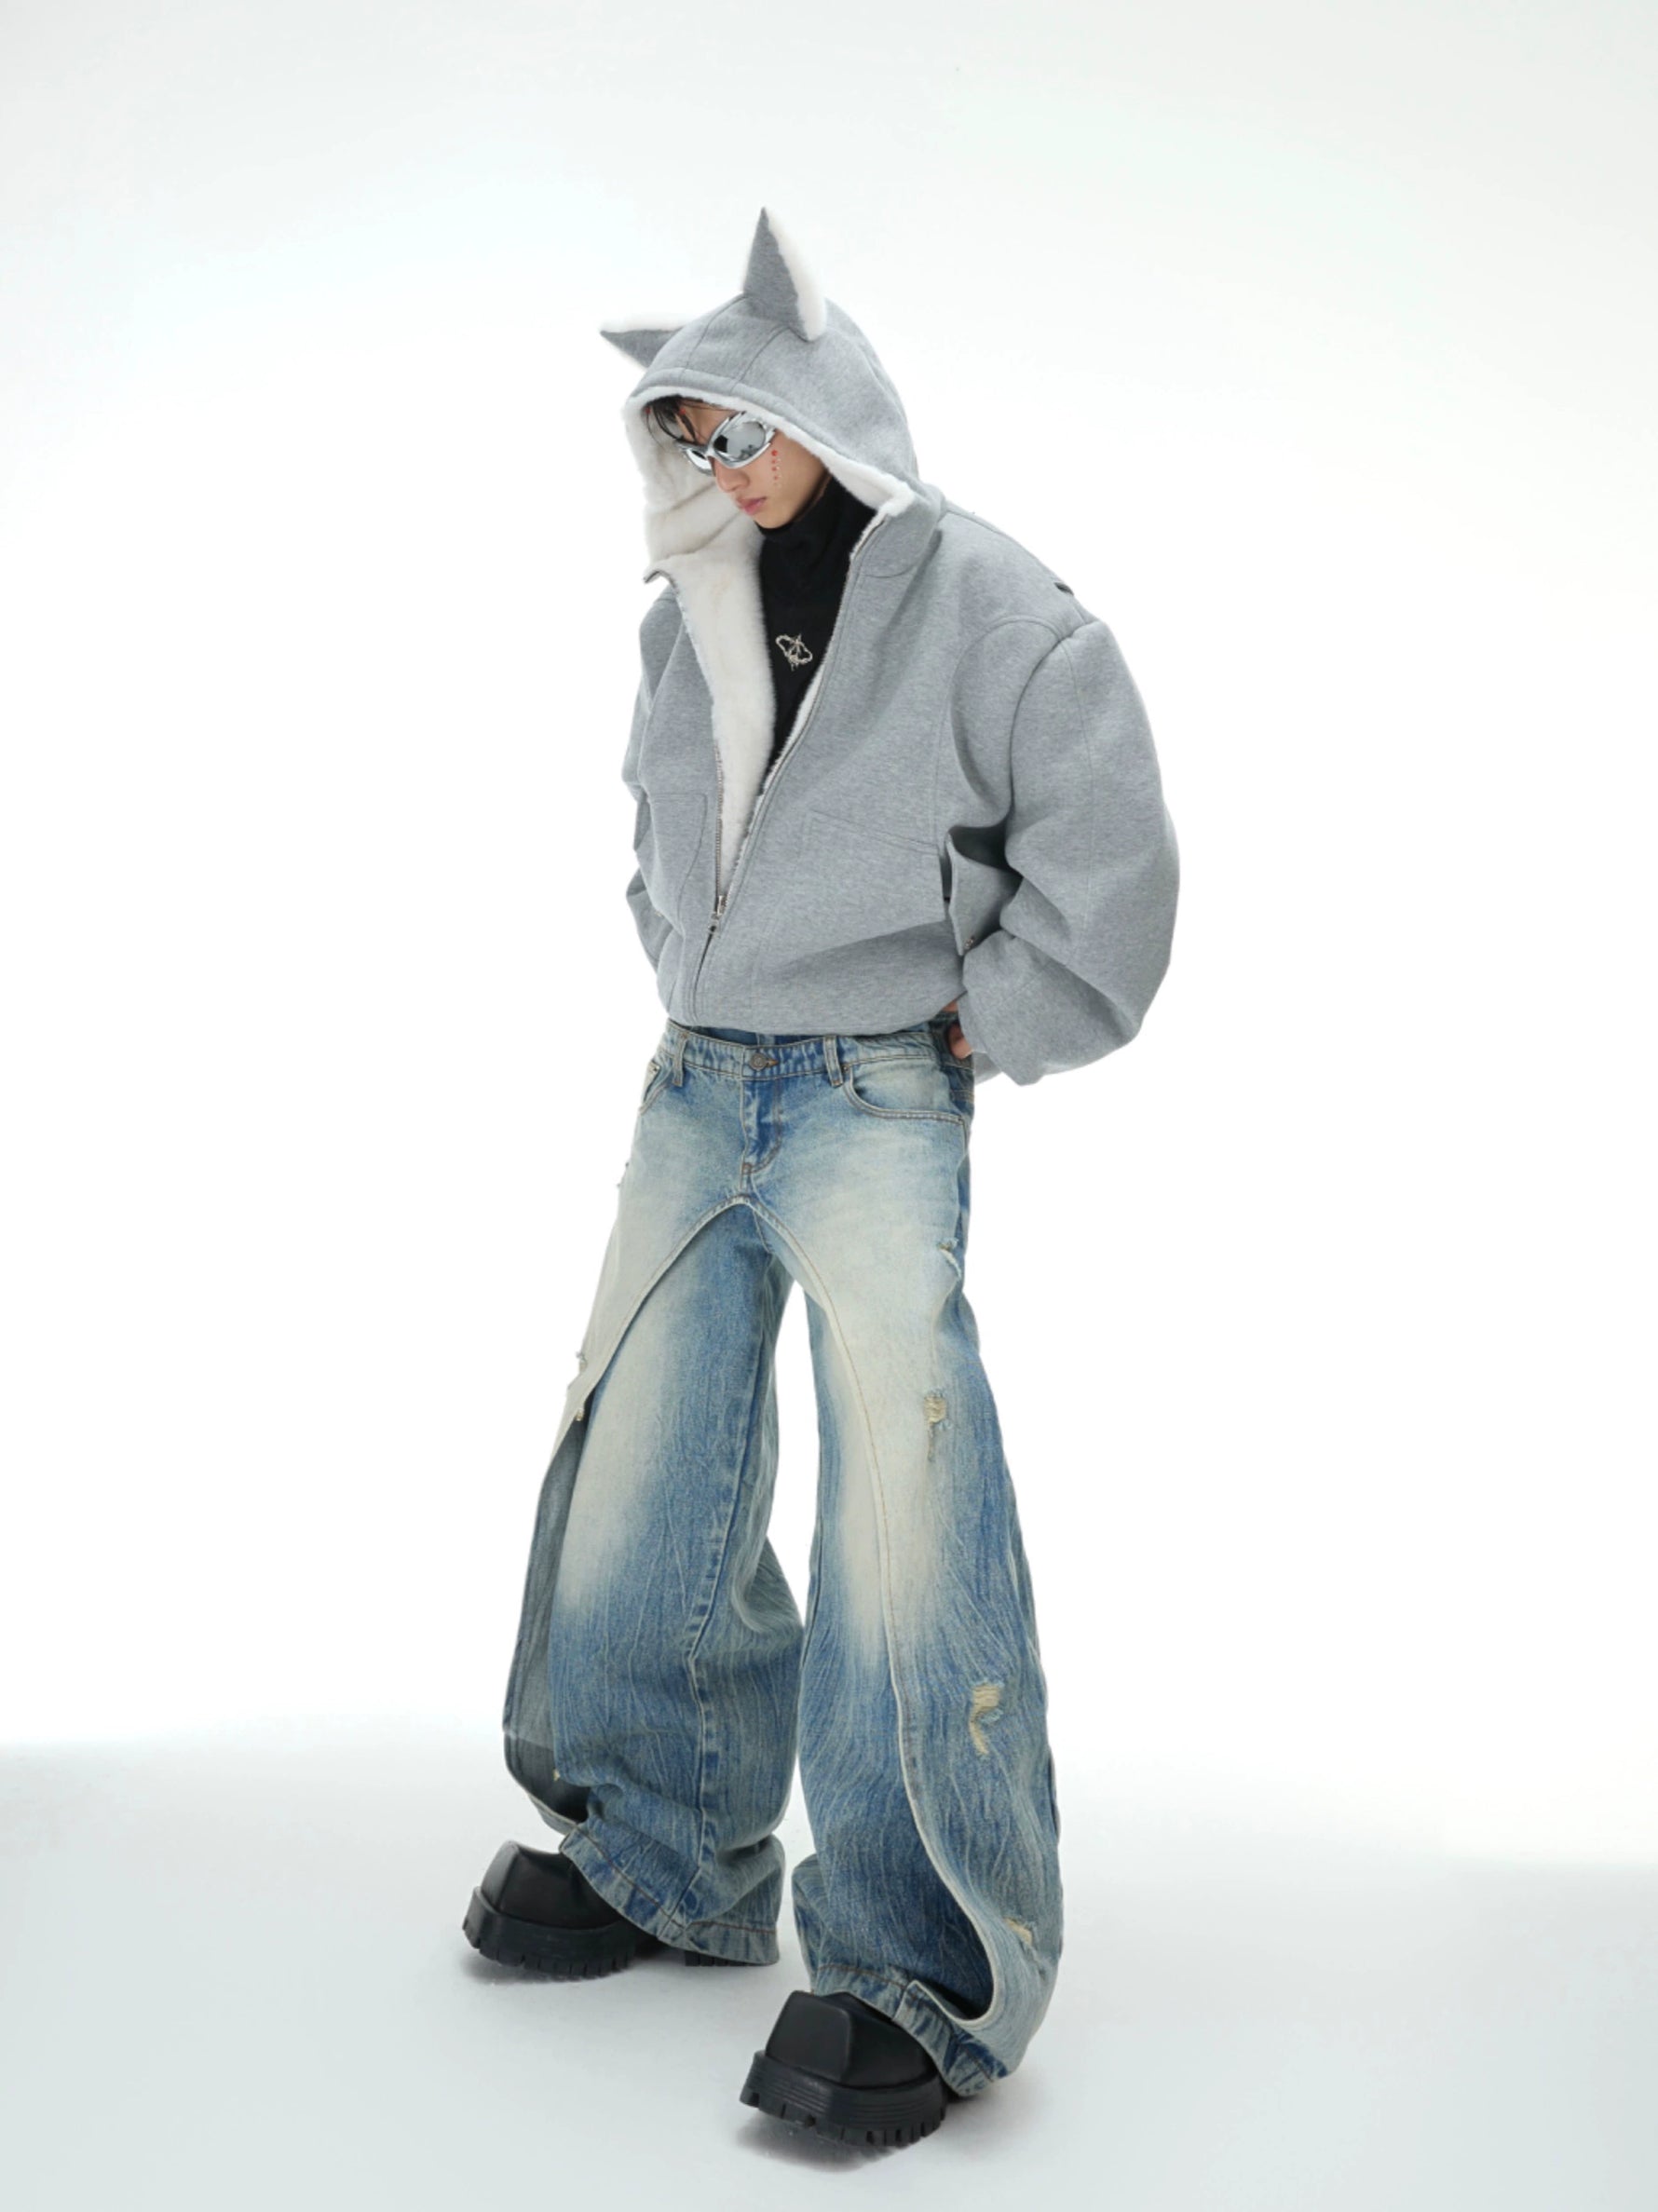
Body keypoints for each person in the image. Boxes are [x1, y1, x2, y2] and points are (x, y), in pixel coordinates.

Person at [462, 207, 1179, 2149]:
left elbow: (1111, 870)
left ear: (825, 404)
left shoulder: (998, 610)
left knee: (903, 1515)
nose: (721, 463)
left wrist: (985, 1020)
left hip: (877, 1088)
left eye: (743, 427)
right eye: (688, 435)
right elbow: (654, 819)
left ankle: (918, 1970)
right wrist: (686, 972)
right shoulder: (683, 609)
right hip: (697, 1078)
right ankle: (661, 1850)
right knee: (639, 1453)